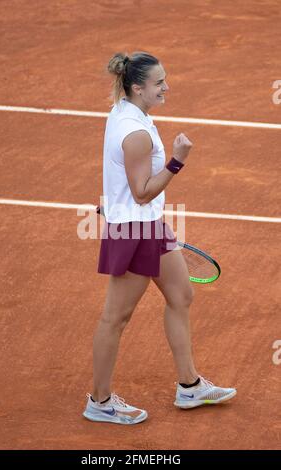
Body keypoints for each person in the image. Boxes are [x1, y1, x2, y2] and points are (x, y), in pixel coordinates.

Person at [83, 51, 236, 425]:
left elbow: (125, 184)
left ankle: (189, 385)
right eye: (159, 83)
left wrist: (115, 202)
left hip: (148, 224)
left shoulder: (126, 111)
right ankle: (99, 401)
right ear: (138, 88)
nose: (166, 87)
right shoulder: (136, 133)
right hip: (136, 229)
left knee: (181, 295)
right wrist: (178, 160)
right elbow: (141, 191)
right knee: (115, 318)